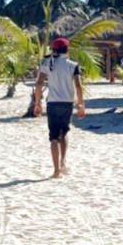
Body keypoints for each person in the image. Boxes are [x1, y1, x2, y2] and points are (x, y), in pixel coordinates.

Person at [33, 38, 85, 179]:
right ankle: (63, 161)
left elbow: (39, 84)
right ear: (68, 50)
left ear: (54, 50)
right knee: (65, 131)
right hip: (67, 103)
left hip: (53, 103)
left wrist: (38, 103)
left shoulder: (47, 63)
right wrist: (81, 104)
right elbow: (79, 86)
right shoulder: (73, 65)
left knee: (54, 136)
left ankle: (56, 171)